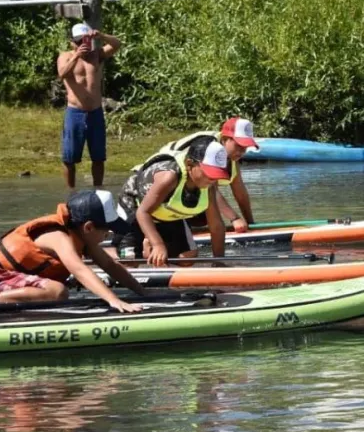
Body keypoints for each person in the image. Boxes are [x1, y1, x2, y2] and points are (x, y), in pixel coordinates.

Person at [0, 190, 147, 313]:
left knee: (57, 290)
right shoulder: (58, 236)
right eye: (107, 231)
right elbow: (79, 270)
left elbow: (110, 265)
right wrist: (114, 300)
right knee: (58, 292)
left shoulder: (82, 235)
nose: (108, 236)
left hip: (16, 279)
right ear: (88, 227)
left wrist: (142, 292)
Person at [113, 136, 234, 266]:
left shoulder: (209, 185)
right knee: (129, 261)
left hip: (166, 212)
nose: (212, 180)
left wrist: (219, 261)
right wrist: (158, 244)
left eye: (217, 175)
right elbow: (143, 213)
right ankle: (147, 243)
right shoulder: (169, 177)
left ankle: (150, 245)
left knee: (188, 259)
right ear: (189, 164)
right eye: (209, 173)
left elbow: (216, 225)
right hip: (135, 206)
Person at [158, 117, 260, 233]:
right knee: (207, 212)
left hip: (186, 187)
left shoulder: (230, 156)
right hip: (164, 181)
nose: (242, 152)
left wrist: (250, 223)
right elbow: (212, 190)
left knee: (205, 216)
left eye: (245, 147)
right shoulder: (209, 148)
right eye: (239, 146)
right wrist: (234, 218)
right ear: (225, 139)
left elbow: (240, 193)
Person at [57, 22, 121, 190]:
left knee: (98, 157)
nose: (82, 44)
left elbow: (117, 44)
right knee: (69, 158)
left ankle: (98, 190)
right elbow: (62, 73)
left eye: (84, 40)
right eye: (78, 41)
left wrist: (101, 36)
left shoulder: (97, 55)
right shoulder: (65, 56)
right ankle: (71, 192)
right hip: (75, 112)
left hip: (95, 112)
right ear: (72, 42)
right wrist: (76, 55)